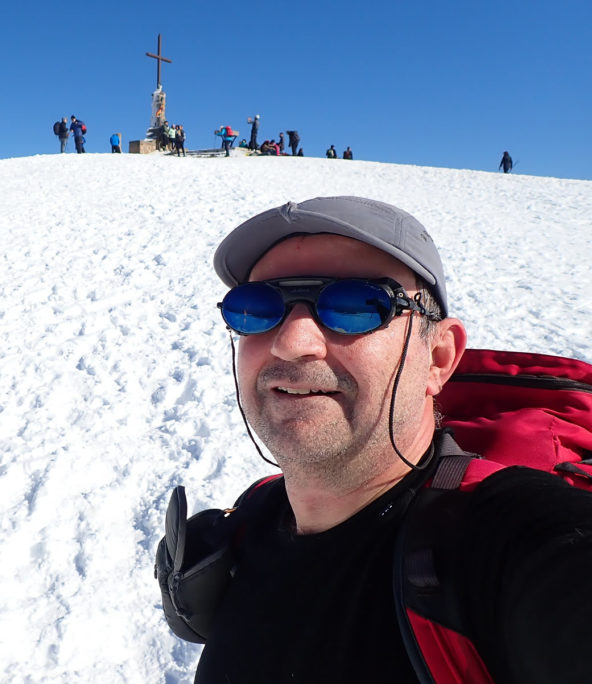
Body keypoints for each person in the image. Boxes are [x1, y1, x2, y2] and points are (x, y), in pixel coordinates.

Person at [162, 196, 592, 683]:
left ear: (439, 358)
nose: (292, 341)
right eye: (257, 308)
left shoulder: (512, 545)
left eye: (356, 305)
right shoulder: (254, 518)